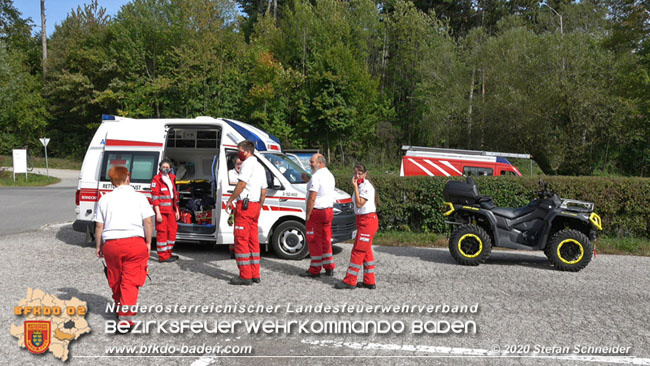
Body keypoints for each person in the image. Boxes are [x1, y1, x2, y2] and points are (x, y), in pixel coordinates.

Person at [94, 166, 154, 331]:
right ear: (128, 177)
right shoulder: (140, 197)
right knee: (130, 281)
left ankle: (119, 306)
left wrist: (98, 246)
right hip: (134, 243)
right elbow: (148, 222)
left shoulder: (104, 199)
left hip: (112, 244)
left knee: (116, 278)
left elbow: (99, 225)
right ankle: (125, 319)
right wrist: (148, 243)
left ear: (112, 180)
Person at [225, 140, 268, 285]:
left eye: (240, 150)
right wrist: (259, 206)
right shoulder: (259, 166)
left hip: (245, 206)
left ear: (247, 151)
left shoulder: (247, 164)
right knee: (253, 241)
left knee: (241, 240)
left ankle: (245, 276)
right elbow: (264, 190)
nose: (239, 153)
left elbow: (241, 184)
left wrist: (231, 199)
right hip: (255, 206)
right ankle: (255, 274)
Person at [335, 164, 378, 289]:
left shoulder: (366, 187)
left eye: (360, 173)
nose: (357, 176)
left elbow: (359, 204)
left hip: (367, 221)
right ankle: (369, 281)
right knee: (366, 250)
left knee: (358, 250)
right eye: (355, 173)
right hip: (362, 220)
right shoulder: (360, 186)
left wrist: (354, 187)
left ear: (365, 174)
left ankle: (349, 281)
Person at [300, 153, 336, 278]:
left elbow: (312, 197)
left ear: (320, 162)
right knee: (326, 239)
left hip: (317, 211)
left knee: (313, 239)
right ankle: (329, 266)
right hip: (328, 211)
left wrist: (308, 214)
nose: (310, 164)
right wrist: (308, 181)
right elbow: (323, 190)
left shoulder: (316, 177)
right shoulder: (329, 175)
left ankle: (314, 269)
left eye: (312, 162)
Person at [151, 159, 180, 263]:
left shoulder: (172, 178)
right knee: (162, 233)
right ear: (160, 167)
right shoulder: (156, 180)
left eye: (167, 167)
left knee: (172, 231)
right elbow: (155, 198)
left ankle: (168, 253)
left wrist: (176, 210)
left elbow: (174, 197)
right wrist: (157, 213)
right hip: (162, 212)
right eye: (163, 167)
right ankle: (163, 256)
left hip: (171, 211)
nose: (165, 169)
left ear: (170, 169)